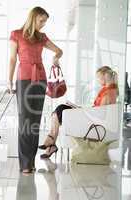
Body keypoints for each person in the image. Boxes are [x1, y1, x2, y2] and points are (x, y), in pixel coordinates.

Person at [8, 7, 63, 173]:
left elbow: (59, 50)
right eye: (41, 20)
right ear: (33, 18)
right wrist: (9, 81)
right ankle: (25, 164)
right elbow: (12, 59)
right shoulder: (16, 34)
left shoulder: (41, 37)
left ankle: (30, 162)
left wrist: (55, 58)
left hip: (40, 80)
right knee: (25, 121)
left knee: (35, 122)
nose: (43, 24)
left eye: (45, 21)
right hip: (24, 79)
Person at [39, 66, 119, 159]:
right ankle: (51, 144)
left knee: (60, 109)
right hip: (90, 117)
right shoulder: (109, 90)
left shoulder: (108, 92)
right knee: (58, 111)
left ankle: (51, 141)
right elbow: (98, 110)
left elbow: (99, 114)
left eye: (98, 77)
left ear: (105, 76)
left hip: (92, 122)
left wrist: (83, 111)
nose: (98, 80)